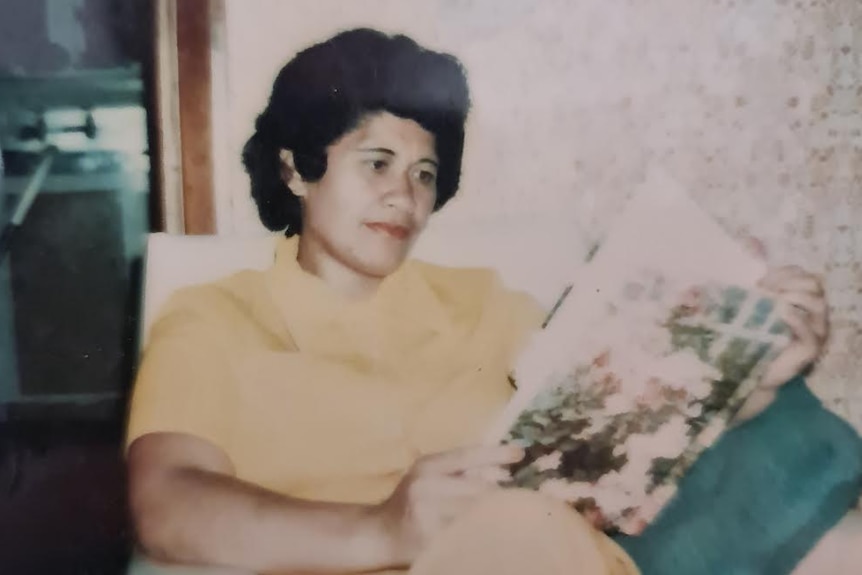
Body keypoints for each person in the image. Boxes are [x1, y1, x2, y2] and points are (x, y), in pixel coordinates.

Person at [125, 28, 862, 575]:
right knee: (510, 523)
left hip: (578, 554)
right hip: (416, 559)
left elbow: (621, 423)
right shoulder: (212, 320)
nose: (404, 195)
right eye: (375, 162)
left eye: (423, 173)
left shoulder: (482, 302)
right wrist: (382, 530)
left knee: (782, 435)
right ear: (295, 168)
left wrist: (750, 365)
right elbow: (167, 500)